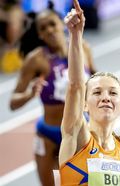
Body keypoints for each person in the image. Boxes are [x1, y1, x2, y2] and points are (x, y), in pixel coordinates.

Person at [59, 1, 120, 185]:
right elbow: (75, 86)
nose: (106, 97)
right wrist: (76, 35)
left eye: (113, 93)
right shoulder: (77, 137)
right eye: (97, 92)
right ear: (84, 104)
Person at [9, 5, 96, 186]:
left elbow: (97, 81)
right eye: (43, 28)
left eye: (52, 24)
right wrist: (30, 94)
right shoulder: (36, 60)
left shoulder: (83, 48)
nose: (49, 30)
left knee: (87, 183)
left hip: (81, 129)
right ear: (39, 34)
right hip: (48, 133)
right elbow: (13, 103)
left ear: (61, 24)